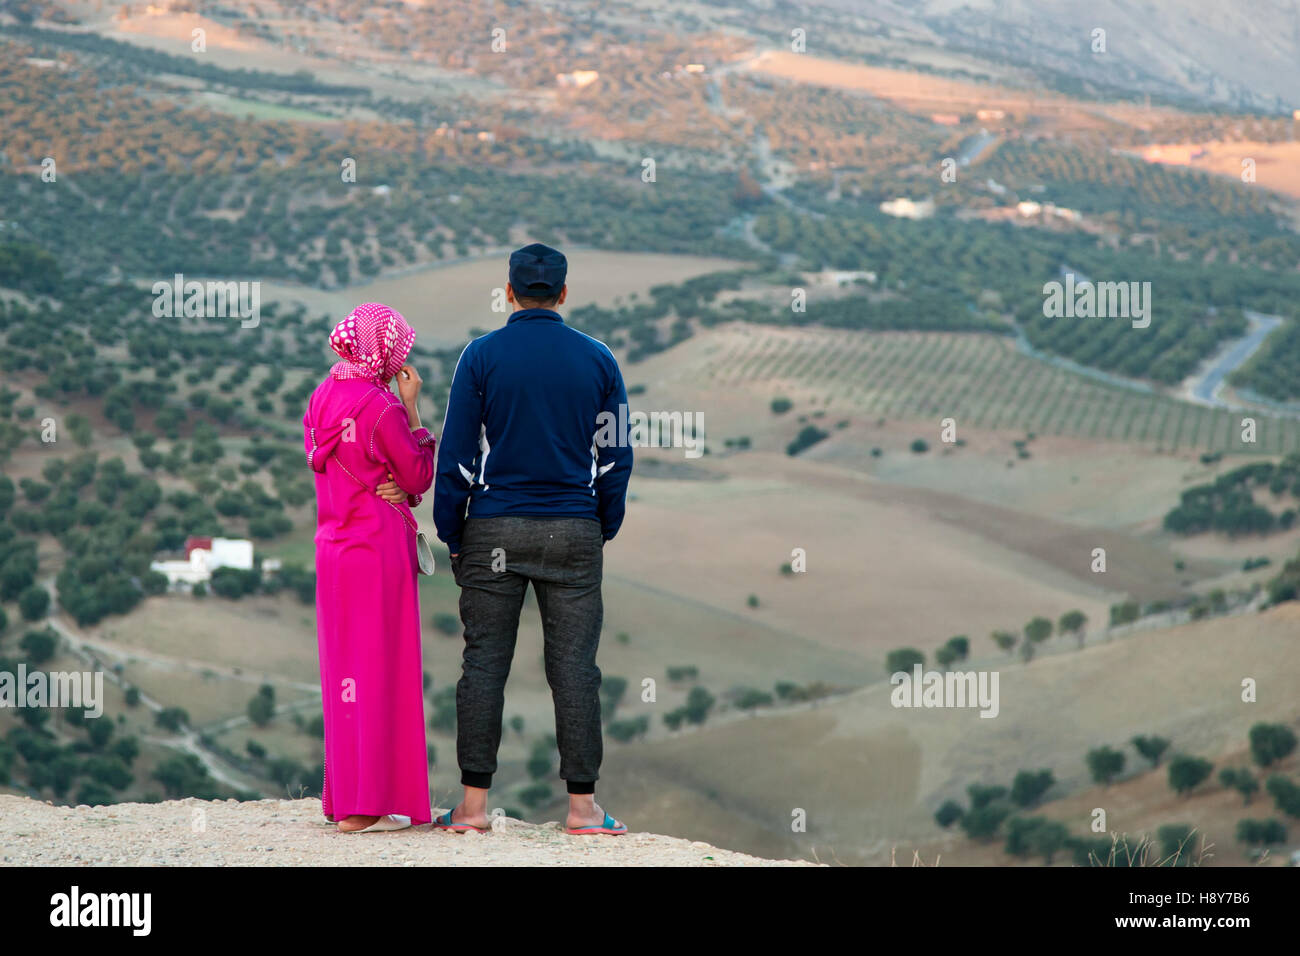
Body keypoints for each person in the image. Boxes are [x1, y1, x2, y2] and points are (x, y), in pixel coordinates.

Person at [432, 243, 633, 835]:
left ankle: (471, 809)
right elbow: (617, 454)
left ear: (510, 291)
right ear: (564, 293)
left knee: (483, 666)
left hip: (493, 528)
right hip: (574, 529)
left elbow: (458, 455)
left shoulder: (480, 356)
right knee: (575, 671)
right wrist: (600, 524)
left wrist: (453, 531)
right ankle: (582, 811)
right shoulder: (600, 360)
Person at [303, 302, 436, 833]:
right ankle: (369, 806)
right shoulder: (381, 407)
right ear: (384, 350)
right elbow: (419, 472)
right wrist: (414, 409)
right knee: (382, 668)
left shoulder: (321, 397)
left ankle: (347, 800)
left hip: (333, 550)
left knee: (345, 674)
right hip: (377, 551)